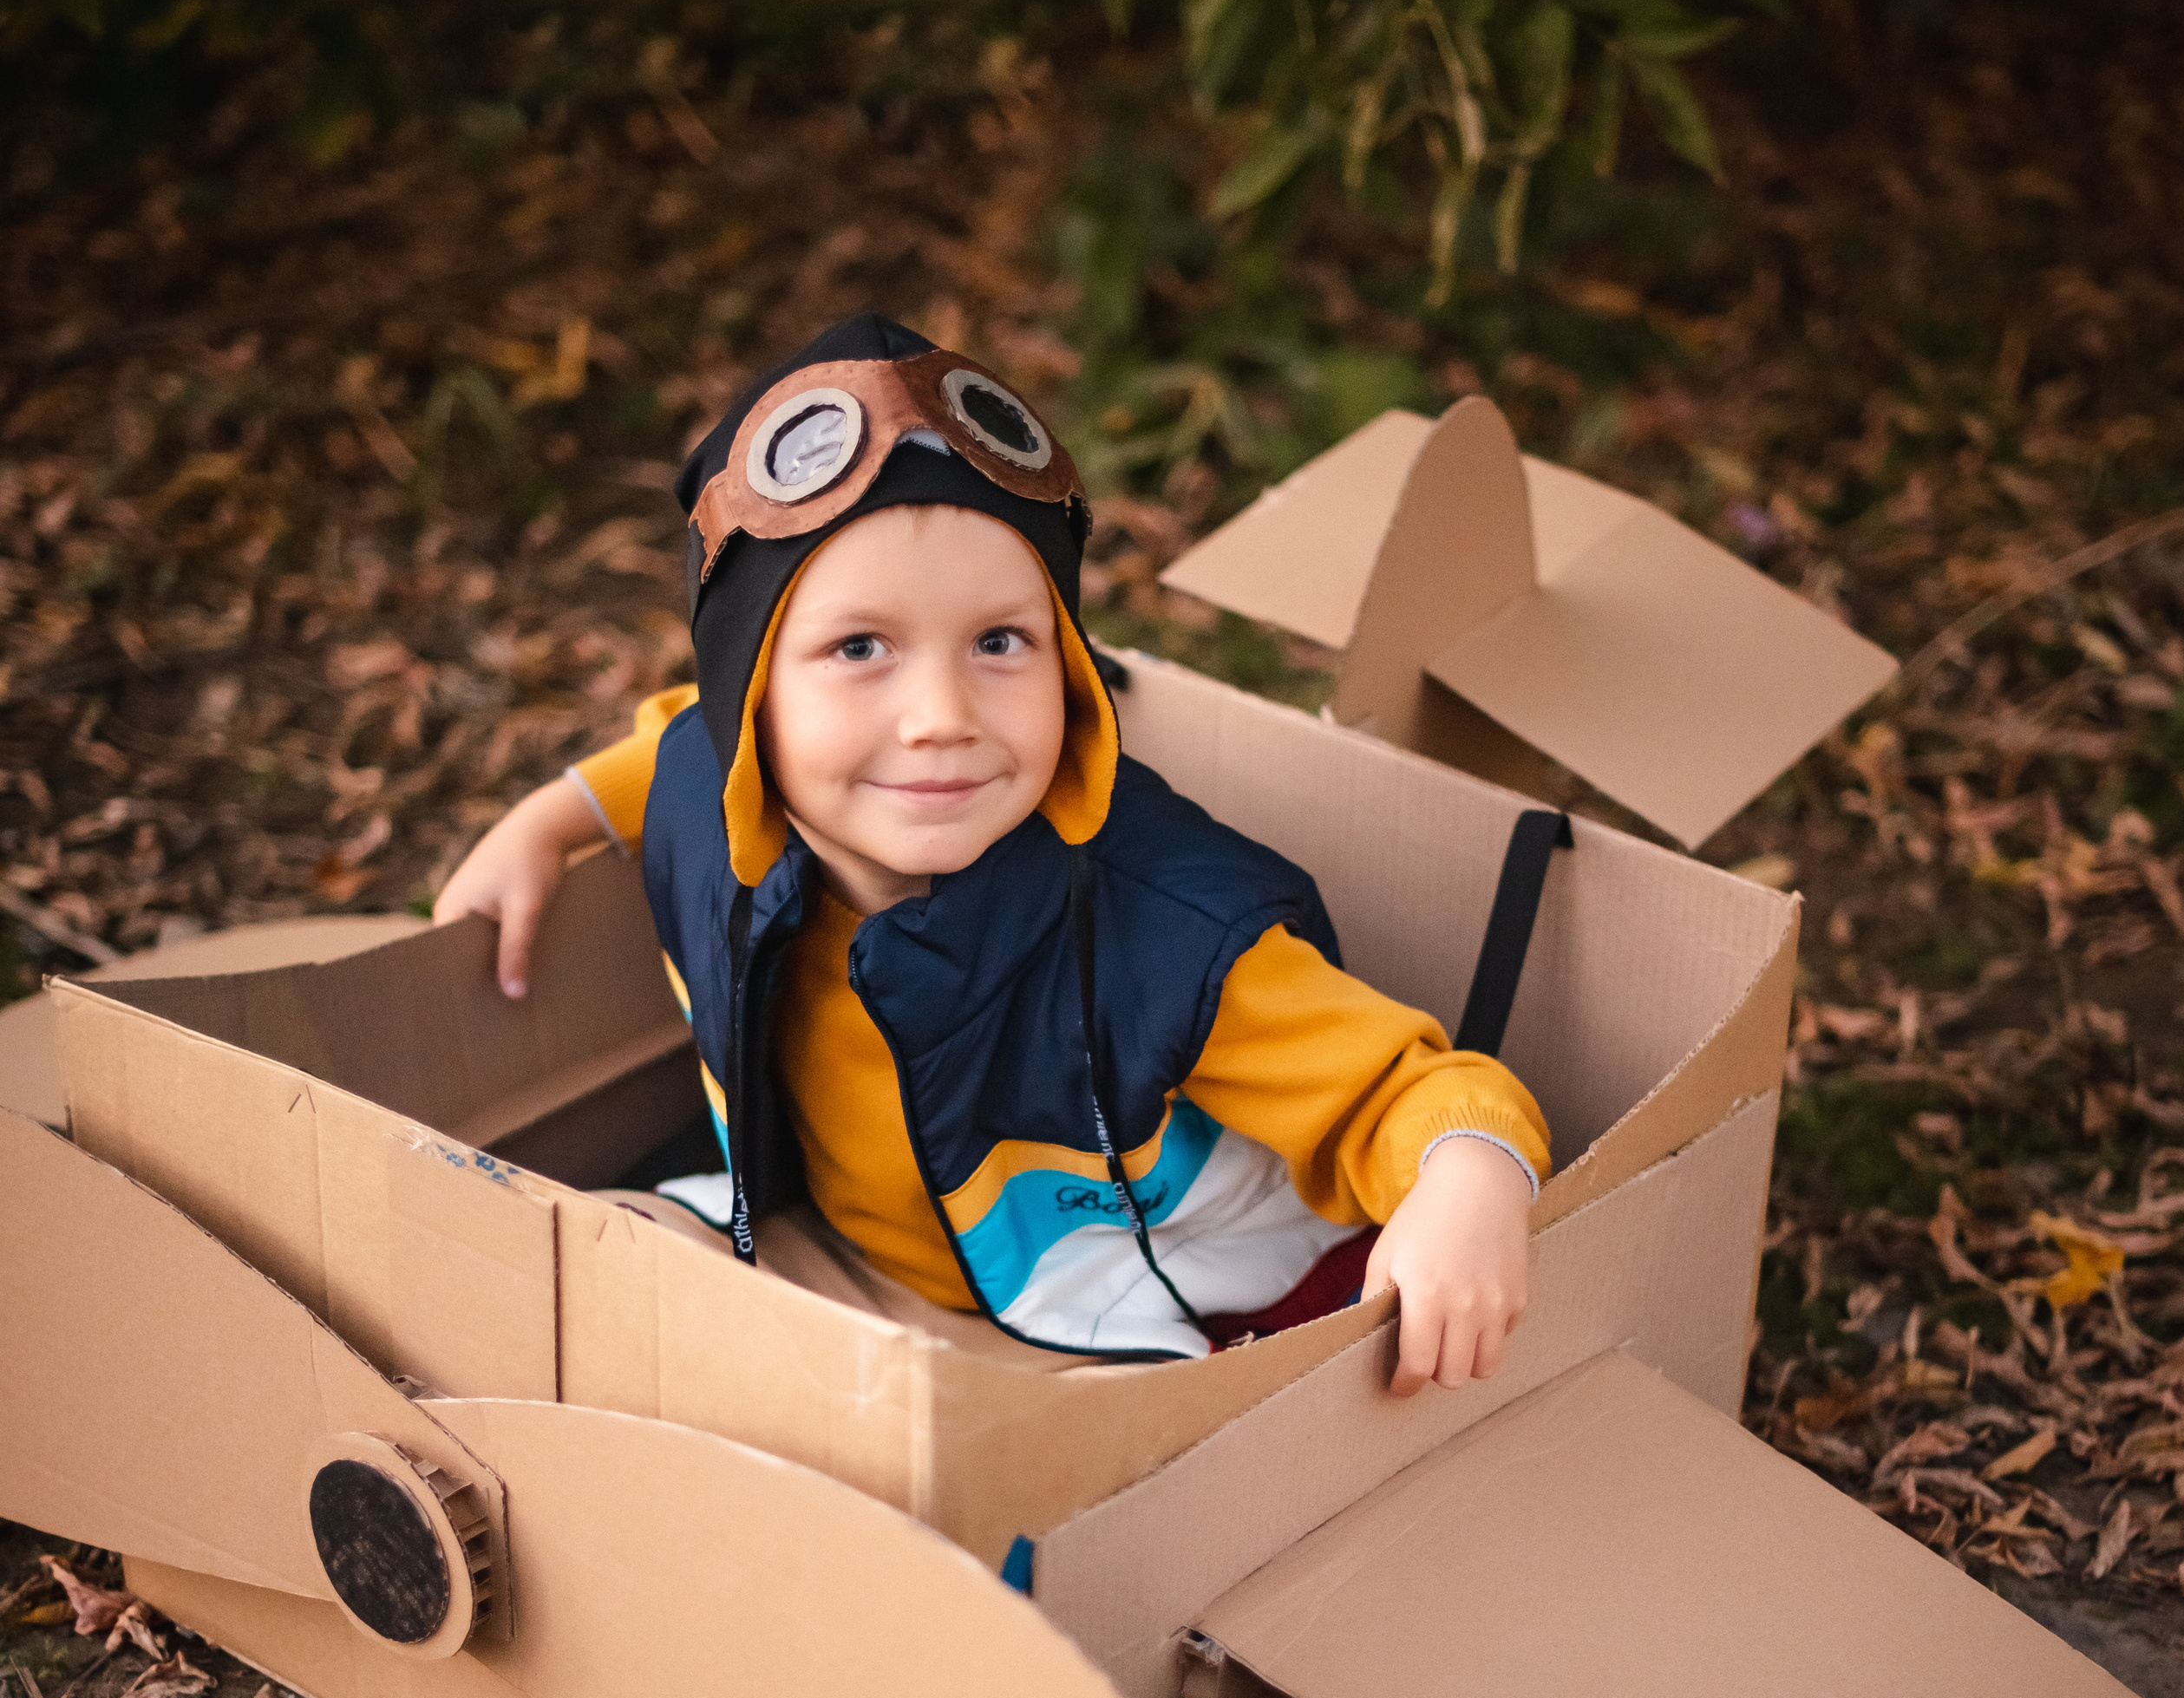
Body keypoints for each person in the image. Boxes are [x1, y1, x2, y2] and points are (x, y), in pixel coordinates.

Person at [435, 312, 1548, 1394]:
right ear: (750, 704)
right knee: (561, 1267)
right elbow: (665, 750)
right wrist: (550, 822)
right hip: (834, 1257)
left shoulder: (1169, 934)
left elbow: (1413, 1090)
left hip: (1102, 1314)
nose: (941, 717)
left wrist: (1468, 1181)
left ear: (1069, 666)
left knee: (1064, 1481)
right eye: (859, 647)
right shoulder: (706, 780)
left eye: (1000, 642)